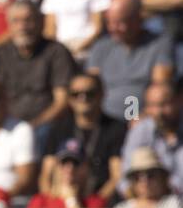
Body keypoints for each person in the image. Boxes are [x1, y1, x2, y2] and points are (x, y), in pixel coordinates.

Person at [0, 0, 77, 148]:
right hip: (8, 124)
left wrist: (31, 126)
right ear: (9, 25)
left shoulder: (56, 52)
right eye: (16, 21)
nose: (22, 27)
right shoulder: (1, 54)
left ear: (40, 22)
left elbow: (61, 102)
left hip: (44, 124)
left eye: (28, 20)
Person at [85, 0, 174, 121]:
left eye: (121, 22)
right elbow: (91, 85)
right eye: (111, 23)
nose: (114, 28)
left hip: (140, 118)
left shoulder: (159, 44)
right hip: (103, 122)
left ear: (138, 19)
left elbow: (160, 86)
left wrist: (139, 116)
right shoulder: (101, 47)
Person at [40, 71, 125, 200]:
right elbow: (46, 176)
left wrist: (94, 205)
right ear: (69, 98)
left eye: (89, 93)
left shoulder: (116, 128)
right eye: (76, 94)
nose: (83, 98)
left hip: (102, 204)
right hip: (62, 201)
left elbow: (117, 177)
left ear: (102, 94)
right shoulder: (58, 129)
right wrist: (56, 203)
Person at [118, 81, 183, 197]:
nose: (159, 112)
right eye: (152, 105)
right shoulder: (141, 131)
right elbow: (125, 181)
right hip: (150, 206)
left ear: (179, 101)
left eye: (164, 104)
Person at [26, 138, 106, 208]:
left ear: (85, 170)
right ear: (56, 167)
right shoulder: (39, 202)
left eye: (75, 163)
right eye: (64, 162)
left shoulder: (95, 203)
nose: (70, 169)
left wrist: (71, 201)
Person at [114, 145, 181, 208]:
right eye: (137, 176)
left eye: (150, 174)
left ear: (162, 178)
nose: (144, 180)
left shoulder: (175, 205)